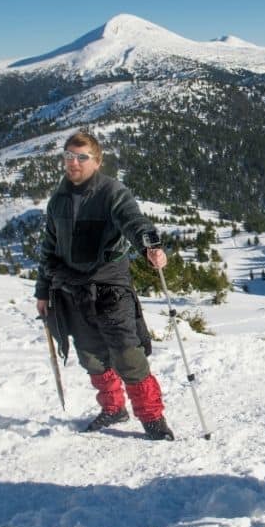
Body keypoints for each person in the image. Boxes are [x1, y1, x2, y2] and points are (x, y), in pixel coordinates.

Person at [35, 131, 175, 441]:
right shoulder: (58, 200)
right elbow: (50, 247)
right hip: (71, 287)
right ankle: (113, 408)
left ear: (97, 161)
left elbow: (132, 220)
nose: (73, 162)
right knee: (91, 356)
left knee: (127, 354)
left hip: (110, 286)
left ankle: (152, 417)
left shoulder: (112, 192)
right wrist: (42, 290)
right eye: (69, 156)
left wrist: (149, 245)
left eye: (81, 157)